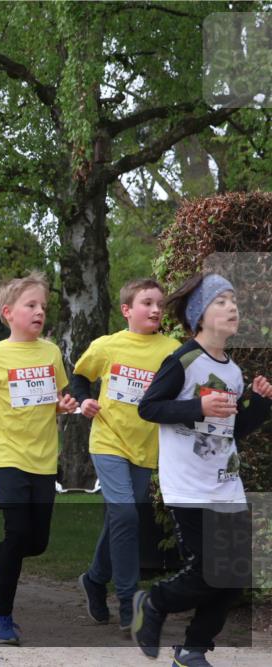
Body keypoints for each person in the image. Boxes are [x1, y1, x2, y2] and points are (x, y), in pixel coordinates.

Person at [133, 274, 272, 667]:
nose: (232, 307)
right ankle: (154, 602)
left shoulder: (233, 371)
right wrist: (198, 407)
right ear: (199, 316)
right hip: (188, 487)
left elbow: (233, 432)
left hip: (226, 485)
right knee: (211, 573)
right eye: (221, 301)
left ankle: (193, 649)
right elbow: (149, 408)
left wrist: (259, 404)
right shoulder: (183, 360)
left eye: (234, 300)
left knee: (235, 577)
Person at [0, 271, 77, 645]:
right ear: (9, 313)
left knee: (37, 542)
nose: (39, 311)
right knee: (19, 532)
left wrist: (65, 404)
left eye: (43, 305)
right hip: (8, 456)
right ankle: (1, 618)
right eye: (31, 305)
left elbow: (56, 399)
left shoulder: (51, 352)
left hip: (44, 458)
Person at [70, 279, 180, 630]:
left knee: (122, 518)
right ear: (127, 310)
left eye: (159, 304)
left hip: (146, 447)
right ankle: (129, 600)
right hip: (108, 441)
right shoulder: (107, 346)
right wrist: (85, 399)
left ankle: (94, 578)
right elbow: (80, 376)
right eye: (147, 303)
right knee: (127, 516)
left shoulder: (173, 349)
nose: (155, 309)